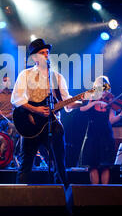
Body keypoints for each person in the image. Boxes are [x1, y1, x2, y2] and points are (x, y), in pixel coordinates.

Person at [11, 38, 82, 187]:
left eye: (47, 52)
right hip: (30, 124)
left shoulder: (57, 77)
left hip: (53, 123)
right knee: (26, 163)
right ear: (35, 57)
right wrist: (35, 109)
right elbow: (17, 99)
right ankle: (18, 198)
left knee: (59, 162)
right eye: (42, 53)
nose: (46, 55)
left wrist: (83, 100)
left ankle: (62, 197)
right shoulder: (25, 74)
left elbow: (67, 102)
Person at [79, 76, 122, 184]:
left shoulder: (111, 100)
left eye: (106, 90)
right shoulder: (90, 97)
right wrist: (95, 103)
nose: (104, 93)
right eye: (102, 90)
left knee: (105, 166)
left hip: (106, 135)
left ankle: (104, 192)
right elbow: (81, 109)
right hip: (92, 135)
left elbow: (111, 120)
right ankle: (95, 193)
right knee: (92, 166)